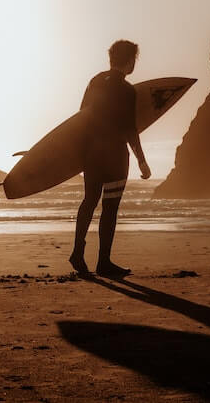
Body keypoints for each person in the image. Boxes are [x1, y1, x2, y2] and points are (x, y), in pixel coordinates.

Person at [69, 40, 151, 277]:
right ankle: (103, 262)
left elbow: (81, 116)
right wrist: (141, 161)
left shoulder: (95, 81)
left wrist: (78, 154)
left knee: (89, 201)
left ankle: (77, 252)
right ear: (129, 61)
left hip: (92, 153)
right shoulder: (127, 90)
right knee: (110, 208)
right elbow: (129, 129)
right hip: (115, 156)